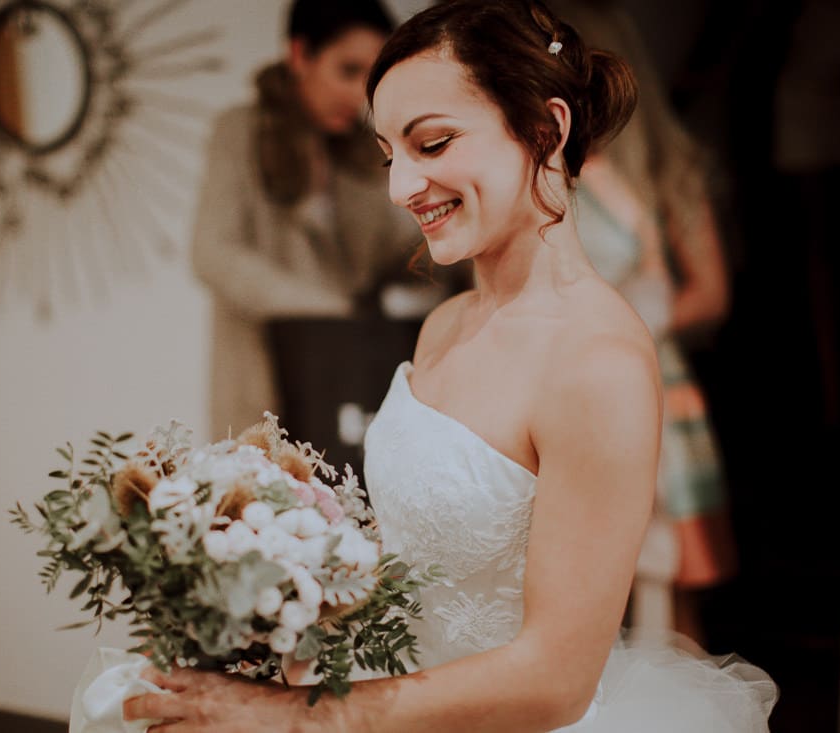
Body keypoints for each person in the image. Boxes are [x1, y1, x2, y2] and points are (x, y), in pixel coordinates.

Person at [125, 1, 776, 729]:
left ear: (547, 129)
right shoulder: (442, 324)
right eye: (389, 156)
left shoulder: (600, 362)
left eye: (430, 144)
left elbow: (555, 678)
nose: (401, 187)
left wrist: (299, 716)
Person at [551, 0, 737, 649]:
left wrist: (621, 334)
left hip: (653, 384)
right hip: (565, 392)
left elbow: (710, 291)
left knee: (667, 583)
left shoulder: (666, 169)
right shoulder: (548, 173)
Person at [191, 0, 421, 440]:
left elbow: (391, 253)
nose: (359, 94)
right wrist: (327, 308)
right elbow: (213, 252)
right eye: (347, 70)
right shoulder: (240, 132)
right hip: (265, 373)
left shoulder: (363, 150)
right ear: (300, 56)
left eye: (369, 78)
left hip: (345, 380)